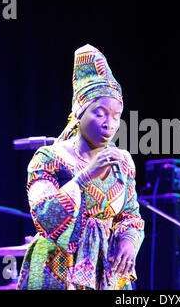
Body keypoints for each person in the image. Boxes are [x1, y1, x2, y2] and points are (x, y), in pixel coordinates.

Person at [16, 44, 145, 290]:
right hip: (56, 270)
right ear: (79, 113)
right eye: (100, 113)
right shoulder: (49, 157)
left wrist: (129, 241)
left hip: (105, 271)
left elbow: (130, 215)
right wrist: (84, 177)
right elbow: (45, 217)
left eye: (116, 116)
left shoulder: (122, 162)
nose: (109, 123)